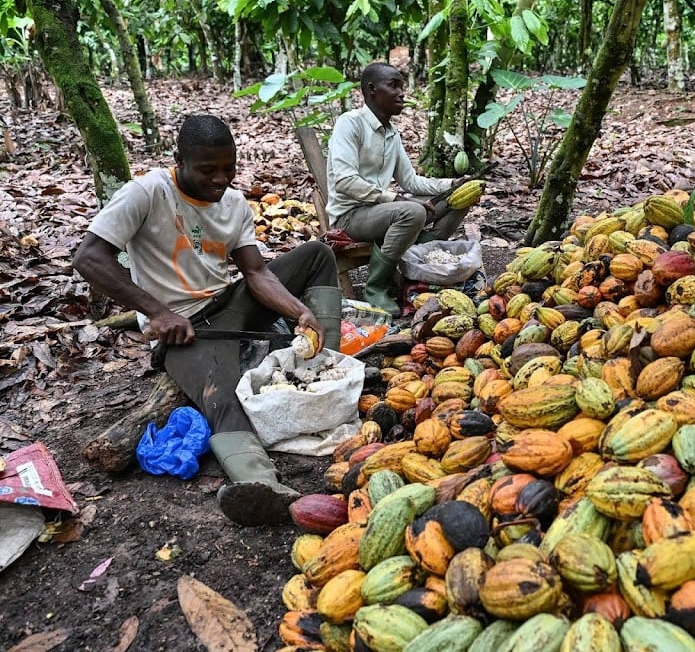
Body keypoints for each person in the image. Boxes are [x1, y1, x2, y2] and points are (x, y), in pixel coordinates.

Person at [73, 114, 339, 527]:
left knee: (318, 255)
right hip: (182, 332)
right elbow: (89, 257)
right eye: (208, 170)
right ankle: (261, 484)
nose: (221, 180)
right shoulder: (147, 192)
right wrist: (158, 313)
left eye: (228, 169)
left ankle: (331, 365)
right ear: (179, 159)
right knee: (222, 395)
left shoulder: (233, 204)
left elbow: (256, 273)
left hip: (228, 305)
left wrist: (299, 311)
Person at [326, 62, 471, 316]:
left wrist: (451, 185)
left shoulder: (392, 134)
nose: (402, 93)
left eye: (402, 87)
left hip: (381, 210)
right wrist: (398, 199)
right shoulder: (350, 124)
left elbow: (411, 181)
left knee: (458, 200)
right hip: (350, 216)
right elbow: (344, 181)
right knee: (413, 212)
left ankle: (414, 268)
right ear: (372, 90)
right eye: (393, 86)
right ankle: (376, 288)